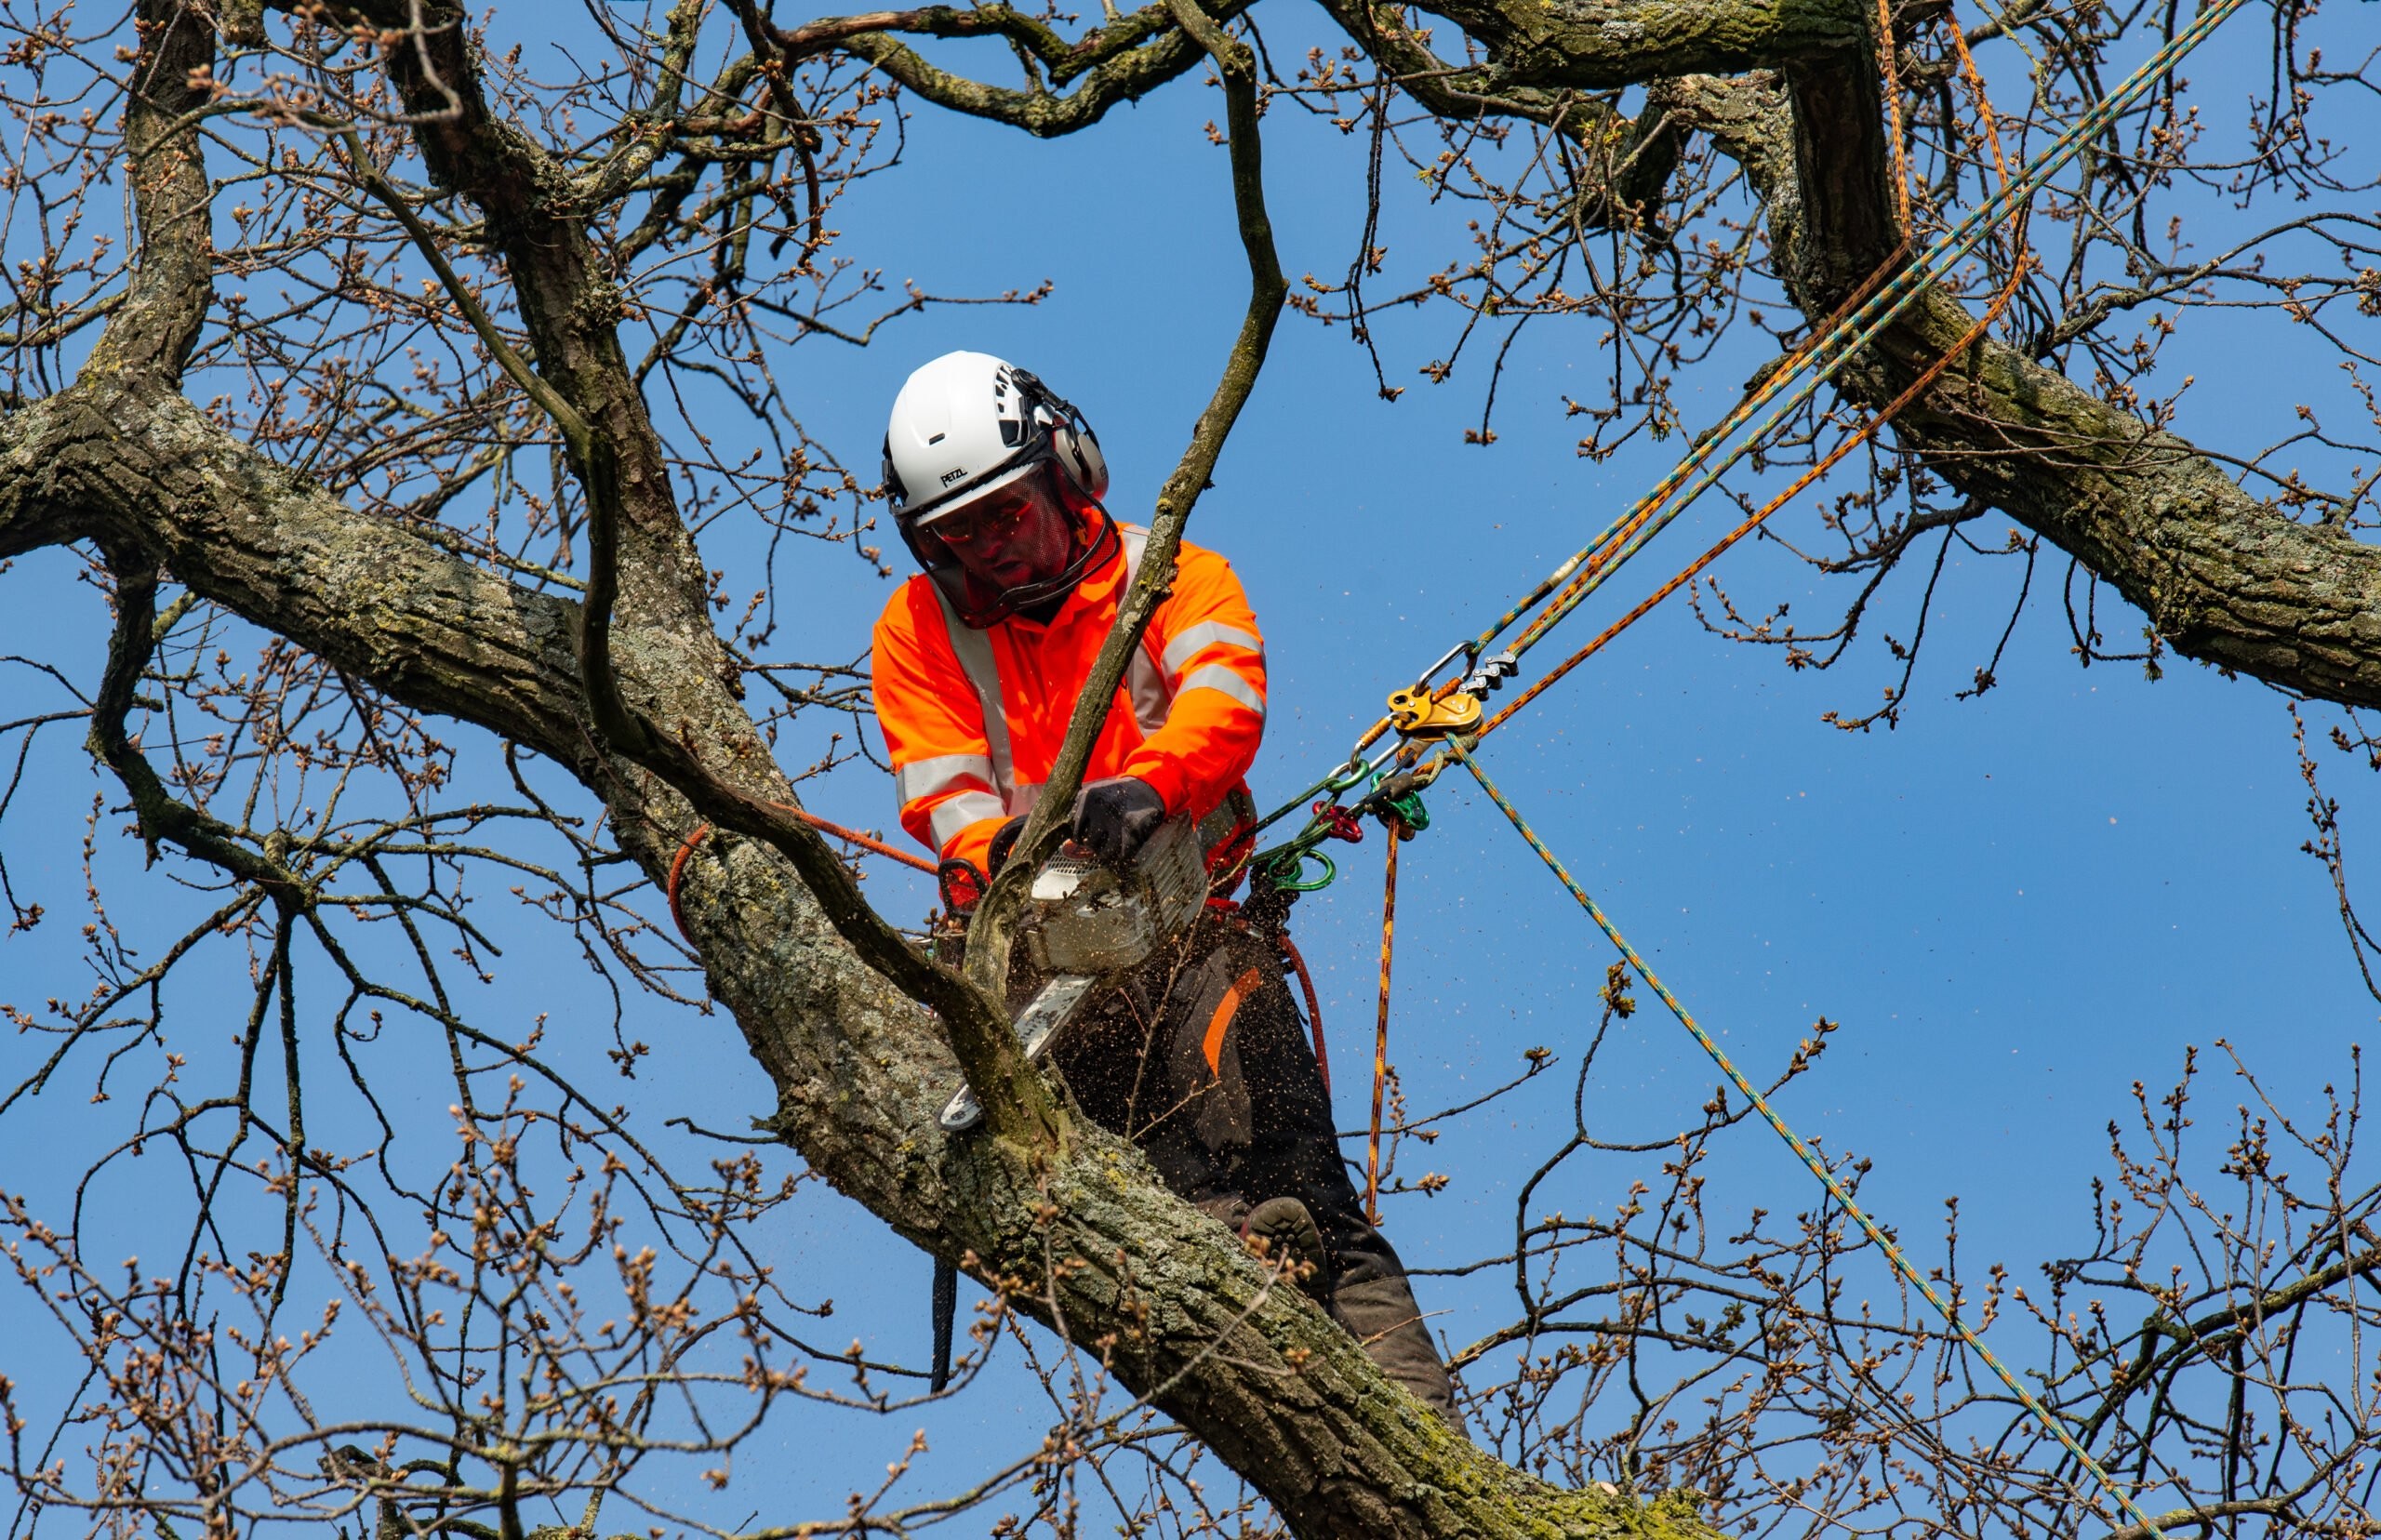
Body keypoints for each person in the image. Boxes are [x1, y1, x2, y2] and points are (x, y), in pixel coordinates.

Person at [869, 351, 1462, 1427]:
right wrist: (995, 856)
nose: (991, 546)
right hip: (1032, 978)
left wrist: (1153, 784)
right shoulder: (919, 632)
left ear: (1064, 472)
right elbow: (939, 783)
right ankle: (1231, 1241)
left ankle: (1416, 1427)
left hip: (1194, 936)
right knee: (1134, 1187)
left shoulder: (1174, 576)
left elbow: (1226, 700)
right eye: (960, 533)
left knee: (1311, 1195)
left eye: (1005, 513)